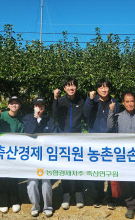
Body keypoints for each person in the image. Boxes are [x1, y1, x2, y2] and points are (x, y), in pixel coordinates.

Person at [107, 91, 135, 219]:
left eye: (132, 101)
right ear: (123, 103)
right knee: (126, 182)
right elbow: (110, 126)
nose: (130, 104)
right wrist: (111, 111)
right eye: (127, 101)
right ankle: (130, 207)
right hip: (125, 154)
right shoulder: (118, 116)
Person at [83, 78, 120, 209]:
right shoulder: (93, 101)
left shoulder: (115, 102)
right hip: (96, 140)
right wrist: (89, 100)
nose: (104, 90)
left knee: (110, 169)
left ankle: (111, 196)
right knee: (97, 169)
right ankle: (99, 194)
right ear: (97, 90)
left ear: (109, 89)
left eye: (106, 87)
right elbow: (86, 115)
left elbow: (116, 122)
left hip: (110, 141)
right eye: (101, 87)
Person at [52, 77, 85, 210]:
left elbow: (87, 117)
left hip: (77, 139)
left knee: (78, 166)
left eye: (73, 86)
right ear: (64, 88)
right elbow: (54, 114)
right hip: (63, 139)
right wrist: (55, 98)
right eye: (68, 86)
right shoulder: (60, 101)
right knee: (64, 166)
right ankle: (66, 193)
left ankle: (78, 193)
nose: (71, 88)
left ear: (76, 87)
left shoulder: (81, 101)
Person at [0, 96, 24, 214]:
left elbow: (23, 134)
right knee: (0, 177)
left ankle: (15, 201)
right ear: (8, 105)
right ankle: (2, 202)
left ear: (19, 105)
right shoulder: (2, 115)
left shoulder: (20, 119)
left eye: (17, 103)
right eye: (12, 103)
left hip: (13, 152)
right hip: (0, 151)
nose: (14, 105)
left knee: (14, 176)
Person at [23, 96, 56, 218]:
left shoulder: (49, 120)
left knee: (46, 182)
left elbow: (54, 135)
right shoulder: (27, 118)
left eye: (41, 105)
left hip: (45, 157)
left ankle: (48, 206)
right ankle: (35, 206)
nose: (39, 108)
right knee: (32, 182)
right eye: (37, 105)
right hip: (31, 157)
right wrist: (36, 119)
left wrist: (42, 119)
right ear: (33, 107)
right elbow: (29, 132)